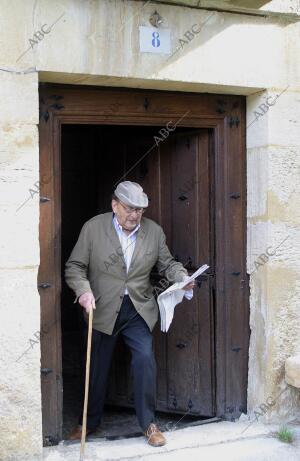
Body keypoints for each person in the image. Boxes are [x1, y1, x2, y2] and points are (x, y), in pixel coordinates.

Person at [65, 180, 195, 446]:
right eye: (129, 209)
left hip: (137, 309)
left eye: (140, 210)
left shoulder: (153, 232)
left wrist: (182, 277)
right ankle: (89, 422)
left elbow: (167, 263)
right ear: (115, 206)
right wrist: (83, 291)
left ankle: (149, 425)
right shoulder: (93, 228)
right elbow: (75, 267)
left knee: (145, 360)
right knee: (97, 367)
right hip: (101, 307)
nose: (134, 215)